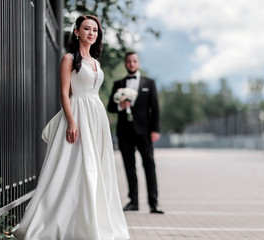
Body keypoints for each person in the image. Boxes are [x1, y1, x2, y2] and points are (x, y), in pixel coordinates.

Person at [13, 15, 130, 240]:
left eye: (95, 30)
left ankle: (90, 222)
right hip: (78, 113)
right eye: (87, 29)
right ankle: (60, 223)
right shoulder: (69, 58)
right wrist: (71, 122)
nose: (91, 33)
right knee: (79, 167)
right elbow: (64, 93)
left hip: (97, 116)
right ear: (76, 31)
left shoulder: (96, 61)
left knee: (96, 167)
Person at [107, 51, 163, 214]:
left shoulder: (149, 83)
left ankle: (154, 203)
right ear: (125, 64)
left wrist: (155, 130)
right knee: (129, 167)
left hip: (145, 132)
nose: (131, 64)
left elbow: (155, 108)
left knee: (149, 165)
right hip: (125, 132)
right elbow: (110, 106)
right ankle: (133, 201)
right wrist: (120, 106)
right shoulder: (118, 84)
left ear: (138, 63)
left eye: (134, 61)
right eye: (129, 62)